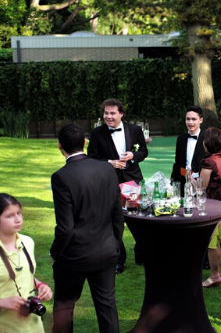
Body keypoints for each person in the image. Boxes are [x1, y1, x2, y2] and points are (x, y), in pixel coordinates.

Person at [51, 123, 123, 333]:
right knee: (107, 306)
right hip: (107, 250)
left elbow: (65, 228)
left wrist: (55, 253)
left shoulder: (61, 177)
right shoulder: (107, 168)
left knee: (64, 306)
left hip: (75, 255)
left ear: (59, 146)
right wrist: (115, 244)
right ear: (85, 142)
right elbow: (117, 214)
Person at [87, 98, 147, 273]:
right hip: (108, 182)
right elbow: (91, 158)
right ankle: (118, 259)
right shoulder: (97, 133)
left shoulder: (135, 130)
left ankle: (141, 253)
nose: (108, 116)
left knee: (138, 219)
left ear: (121, 113)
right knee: (113, 221)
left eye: (112, 113)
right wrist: (109, 163)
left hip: (132, 181)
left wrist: (133, 156)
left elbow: (143, 151)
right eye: (106, 113)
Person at [0, 194, 53, 333]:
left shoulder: (27, 242)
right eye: (9, 216)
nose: (18, 219)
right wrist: (2, 302)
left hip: (31, 323)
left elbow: (23, 274)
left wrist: (40, 285)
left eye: (18, 213)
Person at [199, 128, 221, 289]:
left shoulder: (209, 162)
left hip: (213, 206)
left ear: (208, 143)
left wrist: (190, 180)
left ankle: (214, 275)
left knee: (212, 242)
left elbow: (201, 187)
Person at [171, 105, 207, 196]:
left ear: (201, 120)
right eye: (188, 119)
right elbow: (177, 162)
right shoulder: (181, 138)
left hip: (200, 183)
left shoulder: (206, 138)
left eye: (194, 119)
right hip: (182, 181)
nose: (190, 122)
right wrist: (172, 182)